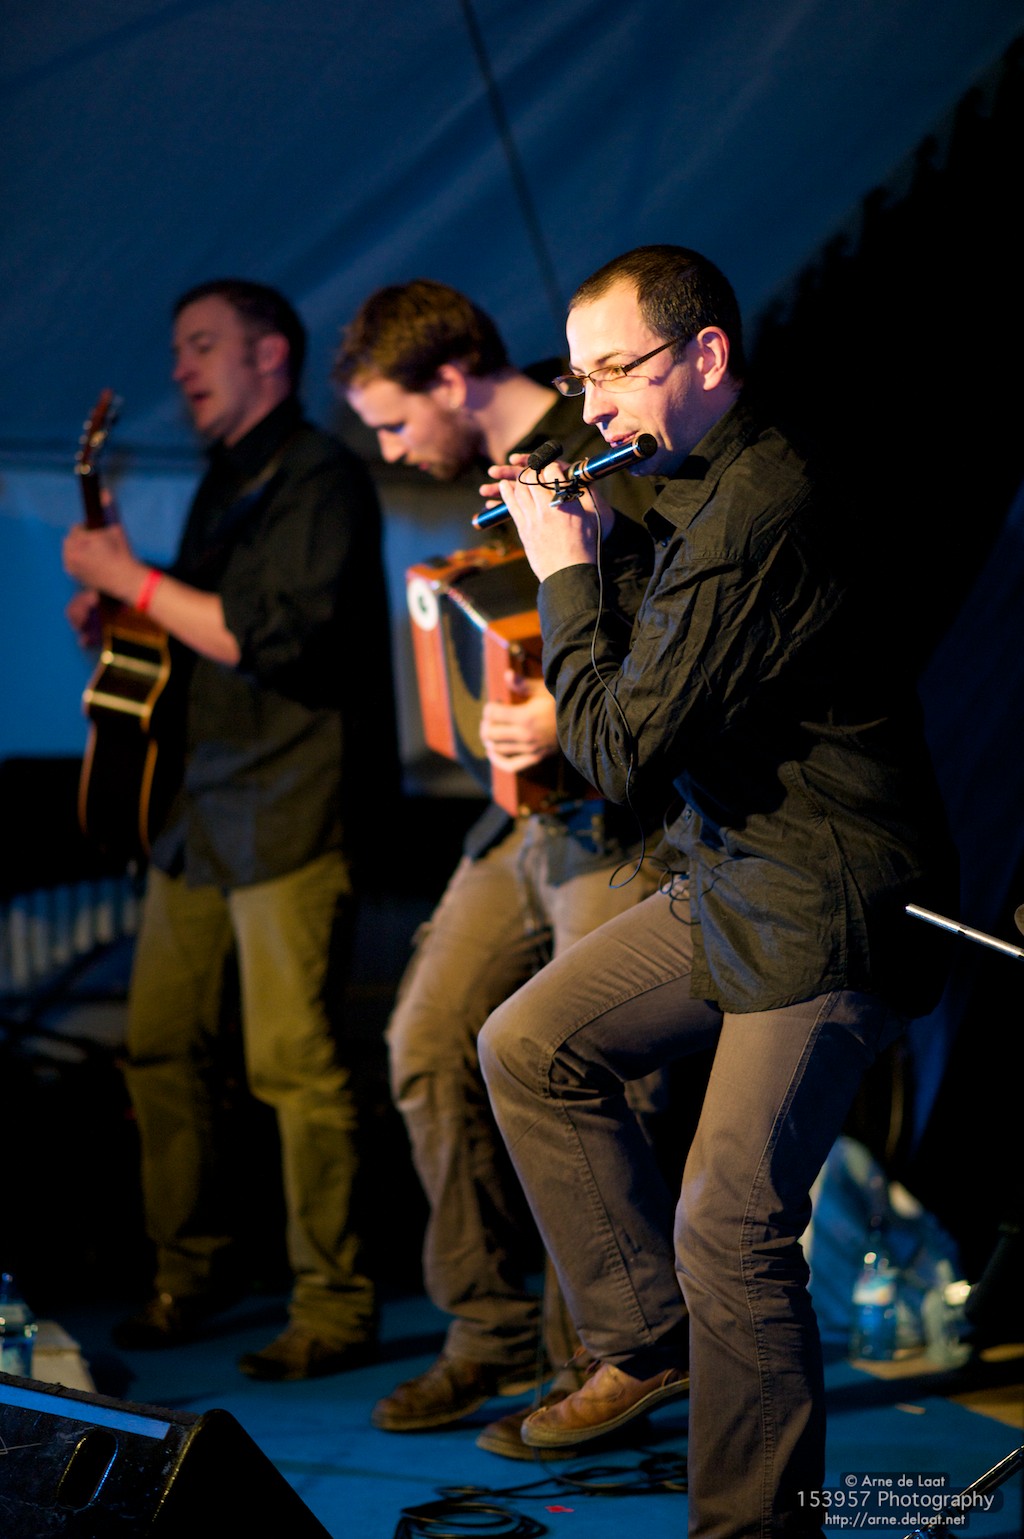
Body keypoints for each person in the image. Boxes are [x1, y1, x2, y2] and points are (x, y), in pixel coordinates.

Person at [476, 245, 957, 1532]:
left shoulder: (766, 505)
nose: (592, 408)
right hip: (734, 867)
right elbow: (651, 659)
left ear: (705, 355)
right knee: (527, 1044)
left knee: (731, 1225)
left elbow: (618, 750)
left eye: (613, 372)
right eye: (577, 380)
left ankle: (753, 1527)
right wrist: (587, 535)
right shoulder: (684, 484)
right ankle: (647, 1343)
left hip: (827, 897)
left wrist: (561, 571)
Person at [334, 279, 670, 1457]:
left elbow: (674, 634)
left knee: (596, 1073)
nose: (391, 450)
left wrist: (558, 721)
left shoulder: (607, 449)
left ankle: (602, 1360)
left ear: (451, 377)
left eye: (393, 423)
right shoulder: (500, 481)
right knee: (425, 1043)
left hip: (615, 820)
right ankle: (486, 1331)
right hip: (517, 823)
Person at [62, 278, 392, 1381]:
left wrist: (132, 578)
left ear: (271, 357)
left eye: (201, 345)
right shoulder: (225, 479)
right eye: (178, 349)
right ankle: (189, 1267)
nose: (180, 369)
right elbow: (197, 630)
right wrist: (126, 607)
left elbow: (274, 639)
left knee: (293, 1064)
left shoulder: (322, 478)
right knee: (160, 1044)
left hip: (289, 803)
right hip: (198, 807)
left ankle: (335, 1303)